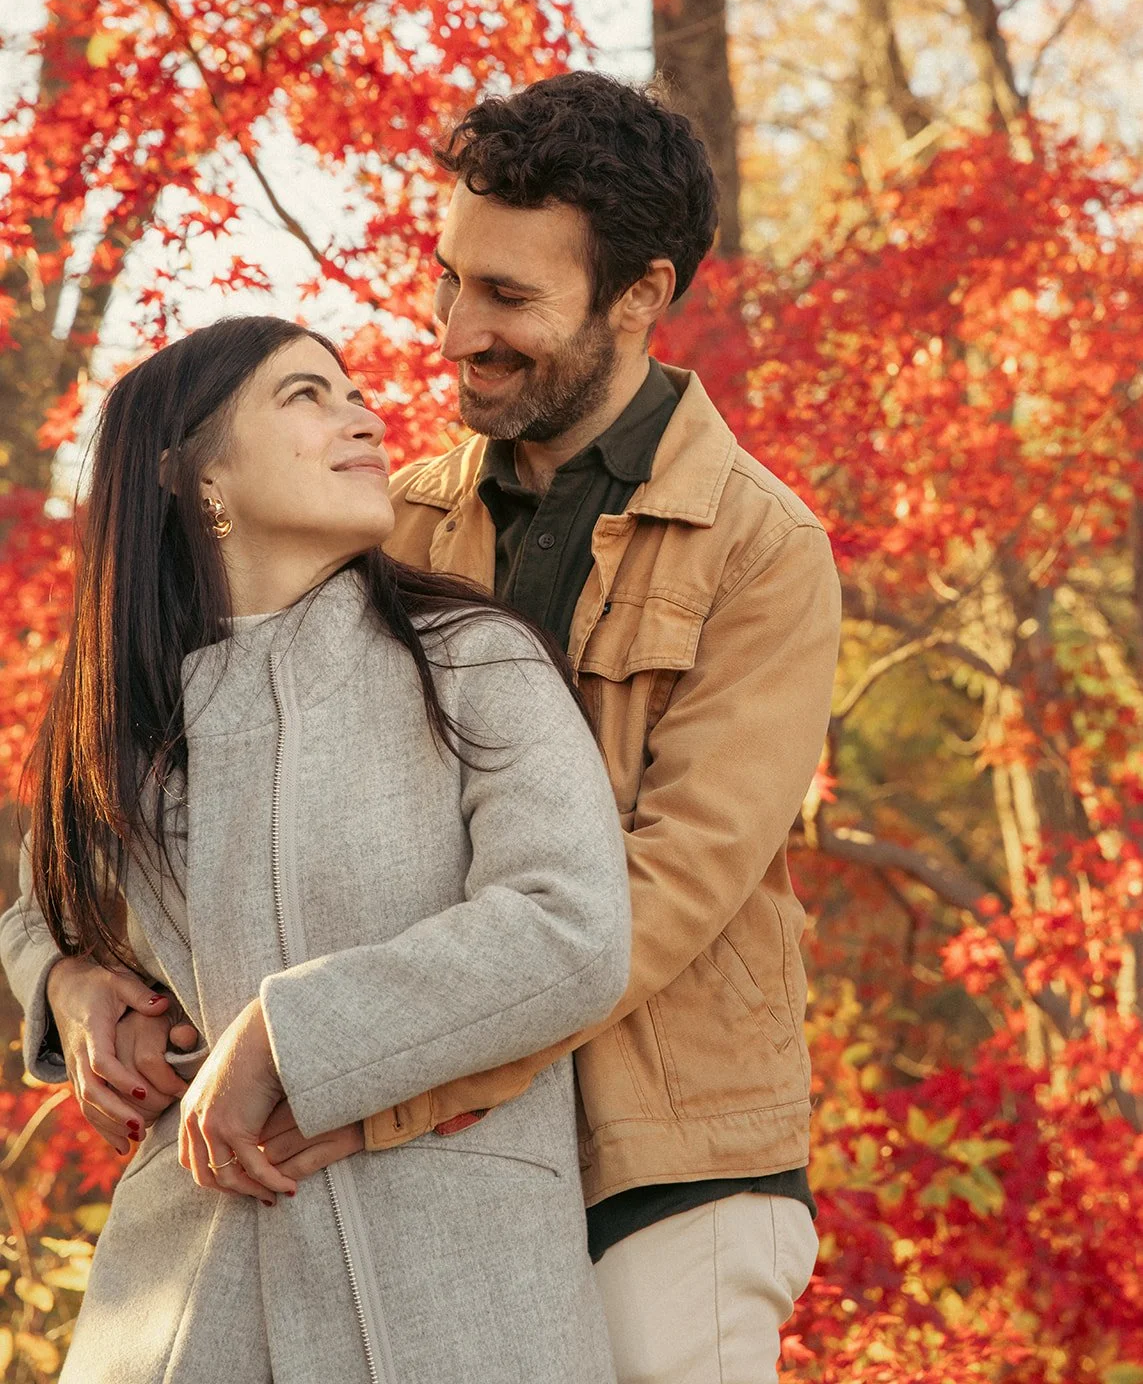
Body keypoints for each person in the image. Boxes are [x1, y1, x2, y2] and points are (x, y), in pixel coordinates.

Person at [25, 71, 842, 1382]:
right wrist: (71, 981)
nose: (455, 330)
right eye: (450, 277)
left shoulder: (762, 550)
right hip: (381, 1148)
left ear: (636, 296)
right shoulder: (373, 521)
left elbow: (644, 900)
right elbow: (95, 830)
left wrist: (339, 1067)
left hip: (650, 1156)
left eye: (508, 298)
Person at [0, 315, 631, 1384]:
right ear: (194, 476)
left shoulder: (474, 663)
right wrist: (62, 983)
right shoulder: (119, 727)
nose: (364, 417)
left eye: (352, 392)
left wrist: (288, 1034)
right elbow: (36, 912)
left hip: (454, 1295)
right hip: (184, 1299)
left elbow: (569, 926)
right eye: (305, 395)